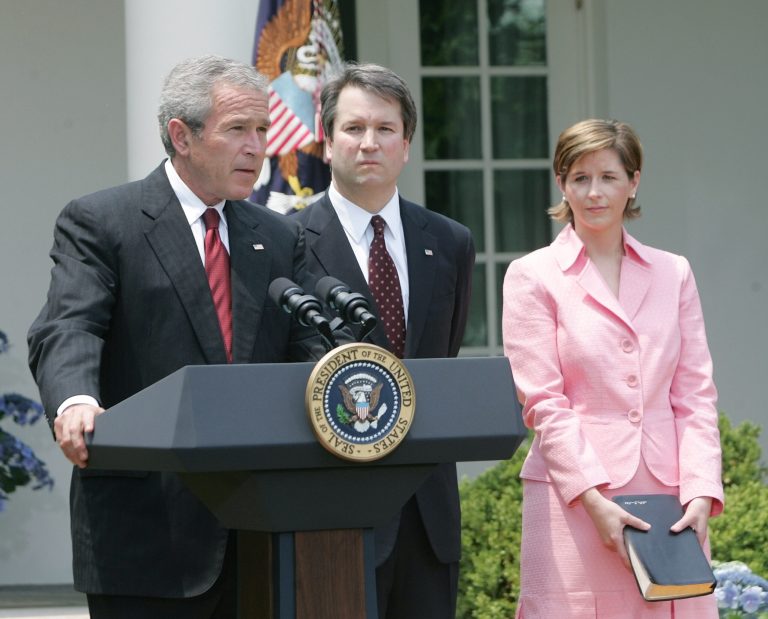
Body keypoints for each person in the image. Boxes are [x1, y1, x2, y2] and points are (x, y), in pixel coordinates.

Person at [27, 55, 327, 618]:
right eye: (238, 129)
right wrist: (75, 400)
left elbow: (307, 347)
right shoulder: (102, 222)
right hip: (147, 538)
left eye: (262, 129)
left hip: (262, 534)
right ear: (180, 136)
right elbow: (69, 324)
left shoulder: (279, 236)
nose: (258, 146)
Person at [501, 119, 723, 618]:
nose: (594, 192)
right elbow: (542, 402)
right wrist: (594, 499)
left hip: (670, 499)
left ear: (634, 182)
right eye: (580, 178)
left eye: (609, 177)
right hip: (573, 498)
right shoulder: (532, 276)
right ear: (562, 184)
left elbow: (694, 396)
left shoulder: (675, 272)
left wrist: (703, 491)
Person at [293, 63, 475, 618]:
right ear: (327, 143)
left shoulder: (449, 241)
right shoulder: (285, 241)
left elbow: (443, 356)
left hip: (427, 512)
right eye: (353, 128)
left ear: (407, 144)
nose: (369, 143)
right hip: (329, 510)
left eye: (385, 129)